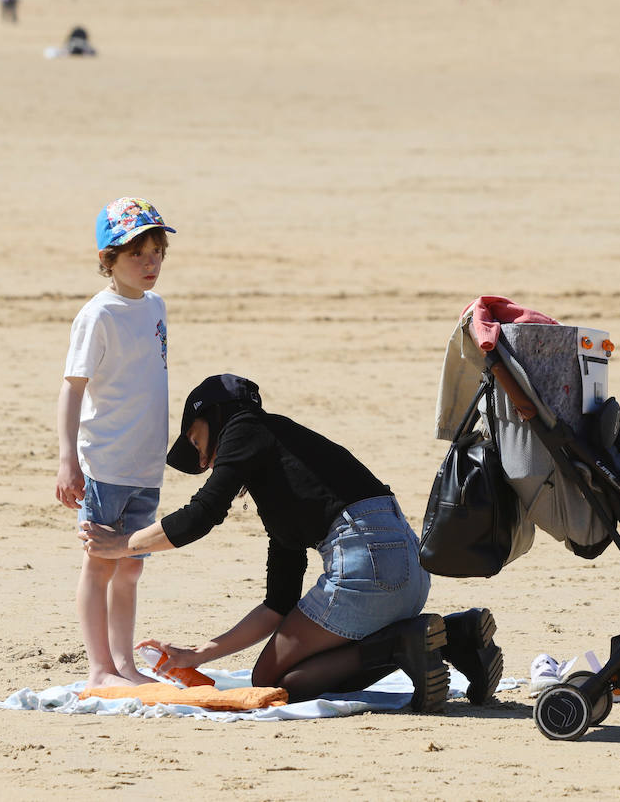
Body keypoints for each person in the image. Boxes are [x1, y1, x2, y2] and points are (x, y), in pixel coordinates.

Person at [81, 374, 505, 711]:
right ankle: (452, 634)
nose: (204, 459)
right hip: (411, 571)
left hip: (366, 566)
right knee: (286, 671)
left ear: (215, 414)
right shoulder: (285, 467)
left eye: (195, 440)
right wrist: (198, 655)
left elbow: (201, 515)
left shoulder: (244, 427)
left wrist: (122, 545)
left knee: (271, 681)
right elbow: (277, 604)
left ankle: (403, 644)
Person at [56, 198, 176, 690]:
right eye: (136, 254)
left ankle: (125, 665)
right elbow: (73, 386)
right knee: (100, 565)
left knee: (130, 570)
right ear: (108, 259)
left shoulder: (156, 308)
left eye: (157, 252)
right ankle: (99, 669)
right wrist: (68, 460)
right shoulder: (97, 315)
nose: (150, 264)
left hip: (146, 465)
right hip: (105, 463)